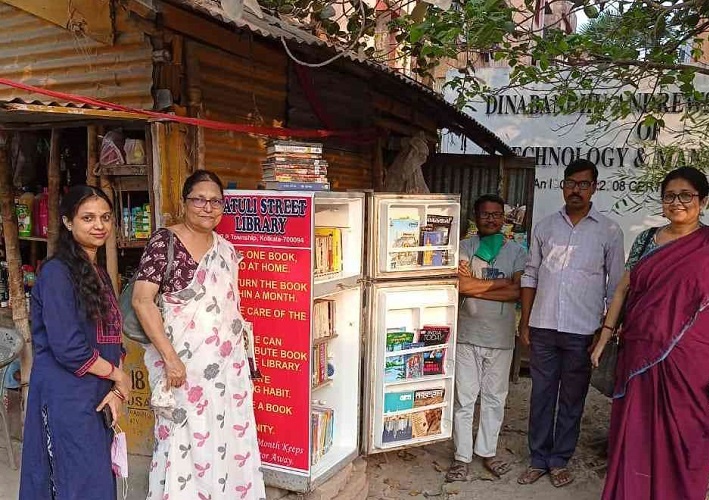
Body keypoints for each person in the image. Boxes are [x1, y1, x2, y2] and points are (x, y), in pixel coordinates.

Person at [133, 170, 265, 500]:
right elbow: (142, 300)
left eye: (215, 201)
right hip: (182, 370)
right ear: (184, 202)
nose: (207, 207)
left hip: (226, 371)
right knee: (184, 439)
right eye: (199, 199)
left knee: (227, 438)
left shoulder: (226, 249)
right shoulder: (165, 242)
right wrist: (171, 360)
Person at [591, 166, 709, 500]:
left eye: (686, 195)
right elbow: (622, 291)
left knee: (687, 433)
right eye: (670, 195)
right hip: (639, 353)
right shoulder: (646, 239)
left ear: (703, 201)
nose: (677, 202)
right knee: (637, 431)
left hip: (691, 361)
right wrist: (604, 337)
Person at [517, 159, 625, 488]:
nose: (575, 189)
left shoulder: (609, 231)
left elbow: (615, 286)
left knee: (572, 398)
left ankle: (559, 458)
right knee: (541, 394)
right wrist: (525, 321)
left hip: (583, 330)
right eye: (570, 183)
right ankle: (538, 457)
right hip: (544, 325)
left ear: (594, 188)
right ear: (562, 186)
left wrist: (604, 333)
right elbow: (531, 273)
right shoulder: (545, 227)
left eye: (583, 184)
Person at [20, 186, 130, 500]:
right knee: (74, 483)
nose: (100, 225)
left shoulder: (99, 273)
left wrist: (117, 391)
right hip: (66, 396)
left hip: (98, 394)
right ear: (68, 222)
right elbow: (68, 347)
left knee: (95, 480)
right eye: (88, 218)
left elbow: (113, 338)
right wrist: (119, 376)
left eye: (105, 217)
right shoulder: (56, 273)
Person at [446, 194, 526, 482]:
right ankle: (461, 456)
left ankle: (488, 452)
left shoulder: (517, 250)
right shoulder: (465, 247)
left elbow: (519, 292)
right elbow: (459, 286)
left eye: (496, 214)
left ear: (503, 217)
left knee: (494, 398)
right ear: (475, 218)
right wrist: (501, 283)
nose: (491, 218)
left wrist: (477, 286)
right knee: (464, 398)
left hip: (502, 336)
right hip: (467, 334)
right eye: (485, 214)